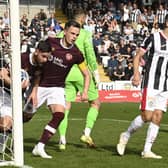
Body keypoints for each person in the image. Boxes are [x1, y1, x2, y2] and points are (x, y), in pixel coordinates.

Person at [30, 20, 90, 159]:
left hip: (57, 88)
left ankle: (40, 147)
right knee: (24, 117)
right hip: (40, 85)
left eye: (77, 35)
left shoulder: (76, 53)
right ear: (65, 31)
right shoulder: (51, 42)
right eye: (72, 33)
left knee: (59, 115)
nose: (74, 37)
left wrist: (85, 91)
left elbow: (86, 74)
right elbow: (36, 58)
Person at [116, 14, 168, 159]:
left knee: (157, 117)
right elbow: (138, 56)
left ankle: (147, 150)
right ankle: (126, 135)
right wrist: (136, 74)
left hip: (165, 85)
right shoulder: (153, 38)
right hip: (150, 82)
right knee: (147, 116)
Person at [57, 9, 100, 150]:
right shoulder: (85, 33)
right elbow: (90, 53)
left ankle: (62, 139)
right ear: (83, 19)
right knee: (95, 103)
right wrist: (95, 71)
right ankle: (86, 133)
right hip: (81, 72)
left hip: (64, 73)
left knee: (65, 107)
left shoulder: (61, 34)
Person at [0, 57, 29, 153]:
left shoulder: (22, 74)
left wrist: (7, 79)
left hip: (8, 104)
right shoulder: (2, 71)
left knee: (5, 125)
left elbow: (21, 87)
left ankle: (5, 135)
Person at [21, 40, 52, 122]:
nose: (45, 60)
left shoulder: (43, 64)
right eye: (44, 56)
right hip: (9, 88)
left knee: (28, 114)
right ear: (36, 52)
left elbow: (38, 75)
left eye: (47, 57)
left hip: (30, 86)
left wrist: (34, 93)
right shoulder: (22, 58)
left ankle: (13, 129)